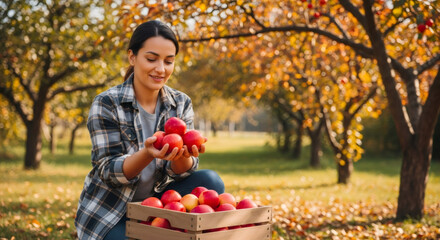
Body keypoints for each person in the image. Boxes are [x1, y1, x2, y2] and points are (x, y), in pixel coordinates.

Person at [75, 20, 225, 240]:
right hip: (112, 211)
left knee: (211, 181)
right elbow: (107, 171)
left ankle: (171, 227)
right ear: (132, 57)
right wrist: (147, 153)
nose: (161, 69)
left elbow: (181, 173)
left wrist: (183, 155)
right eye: (151, 59)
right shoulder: (107, 103)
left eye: (169, 61)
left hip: (157, 205)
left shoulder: (180, 103)